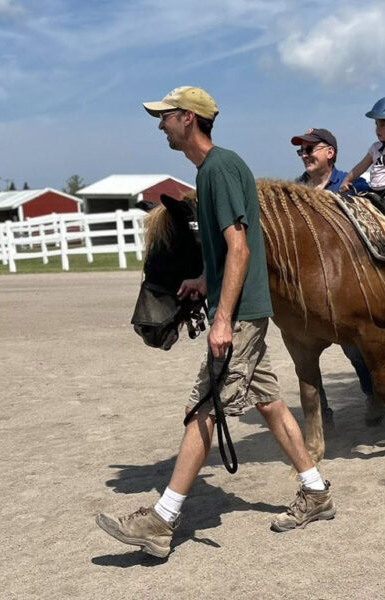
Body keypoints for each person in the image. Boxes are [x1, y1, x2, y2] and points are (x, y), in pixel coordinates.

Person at [95, 86, 335, 559]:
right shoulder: (210, 171)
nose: (159, 124)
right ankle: (316, 491)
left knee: (205, 405)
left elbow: (242, 246)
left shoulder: (220, 168)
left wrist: (223, 318)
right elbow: (228, 249)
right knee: (267, 401)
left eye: (164, 116)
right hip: (239, 307)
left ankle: (161, 520)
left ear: (188, 118)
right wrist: (205, 279)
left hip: (241, 314)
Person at [290, 127, 380, 422]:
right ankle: (320, 413)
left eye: (310, 149)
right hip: (305, 290)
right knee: (304, 354)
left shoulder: (352, 185)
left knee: (355, 350)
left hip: (342, 289)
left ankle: (373, 395)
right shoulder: (293, 194)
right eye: (301, 151)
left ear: (330, 152)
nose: (305, 155)